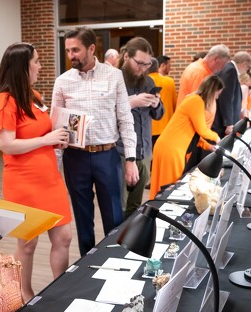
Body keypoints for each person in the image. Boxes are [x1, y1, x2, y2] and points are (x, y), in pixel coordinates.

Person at [0, 42, 73, 302]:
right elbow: (7, 144)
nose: (39, 66)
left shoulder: (33, 96)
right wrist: (46, 141)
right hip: (23, 182)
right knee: (28, 243)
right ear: (22, 67)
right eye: (35, 61)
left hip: (49, 178)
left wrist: (55, 138)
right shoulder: (4, 101)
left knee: (65, 237)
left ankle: (61, 289)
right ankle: (24, 293)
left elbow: (39, 132)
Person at [52, 27, 138, 257]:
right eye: (68, 50)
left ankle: (115, 262)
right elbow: (57, 128)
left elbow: (125, 119)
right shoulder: (62, 82)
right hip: (75, 157)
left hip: (107, 156)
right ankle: (85, 268)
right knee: (83, 220)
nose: (71, 55)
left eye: (76, 50)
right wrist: (54, 167)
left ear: (91, 48)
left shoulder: (113, 76)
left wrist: (131, 159)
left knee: (114, 217)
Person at [149, 75, 224, 199]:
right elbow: (202, 130)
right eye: (217, 94)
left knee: (167, 187)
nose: (217, 97)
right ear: (211, 92)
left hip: (171, 148)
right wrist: (218, 139)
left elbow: (193, 134)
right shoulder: (196, 101)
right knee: (167, 189)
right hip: (170, 149)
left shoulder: (195, 100)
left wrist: (209, 146)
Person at [116, 37, 164, 218]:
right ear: (126, 57)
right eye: (139, 64)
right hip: (120, 153)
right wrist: (132, 103)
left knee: (136, 206)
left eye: (147, 64)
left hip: (144, 151)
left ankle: (128, 242)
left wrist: (156, 105)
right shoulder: (114, 80)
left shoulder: (148, 82)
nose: (143, 68)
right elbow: (103, 117)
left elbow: (159, 115)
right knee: (119, 204)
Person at [213, 51, 251, 137]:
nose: (247, 70)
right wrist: (229, 123)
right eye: (248, 67)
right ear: (243, 63)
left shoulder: (230, 69)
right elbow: (226, 97)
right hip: (222, 123)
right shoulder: (230, 70)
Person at [149, 56, 177, 147]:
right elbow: (175, 104)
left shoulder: (144, 82)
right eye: (169, 65)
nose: (170, 68)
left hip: (149, 128)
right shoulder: (170, 82)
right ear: (161, 66)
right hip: (166, 127)